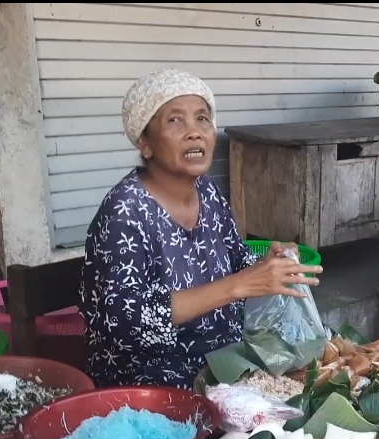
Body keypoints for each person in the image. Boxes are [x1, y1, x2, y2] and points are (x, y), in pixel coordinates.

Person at [79, 68, 322, 389]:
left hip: (225, 361)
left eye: (202, 119)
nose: (194, 132)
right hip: (154, 380)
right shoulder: (125, 212)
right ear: (145, 143)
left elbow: (235, 261)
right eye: (175, 120)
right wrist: (237, 285)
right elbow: (124, 324)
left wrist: (265, 267)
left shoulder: (207, 192)